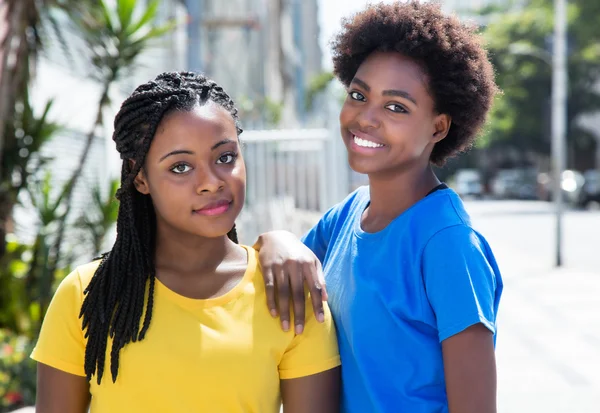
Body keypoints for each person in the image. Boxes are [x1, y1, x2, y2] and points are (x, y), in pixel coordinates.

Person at [31, 71, 340, 413]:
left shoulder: (288, 292)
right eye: (180, 167)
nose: (210, 182)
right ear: (141, 177)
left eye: (225, 157)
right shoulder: (89, 295)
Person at [254, 2, 503, 412]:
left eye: (396, 107)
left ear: (438, 126)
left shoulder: (448, 246)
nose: (365, 118)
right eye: (358, 94)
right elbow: (282, 273)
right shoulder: (347, 216)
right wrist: (275, 238)